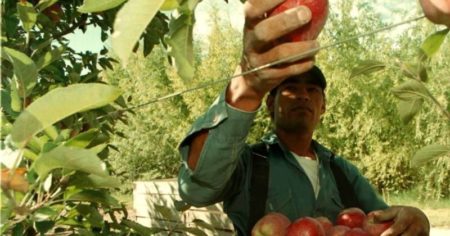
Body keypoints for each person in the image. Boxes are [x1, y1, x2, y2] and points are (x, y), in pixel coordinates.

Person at [178, 0, 433, 235]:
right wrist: (247, 87)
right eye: (291, 88)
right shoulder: (249, 163)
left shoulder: (342, 171)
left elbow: (382, 220)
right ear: (270, 104)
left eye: (312, 90)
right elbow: (197, 189)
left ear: (323, 107)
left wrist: (415, 218)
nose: (302, 96)